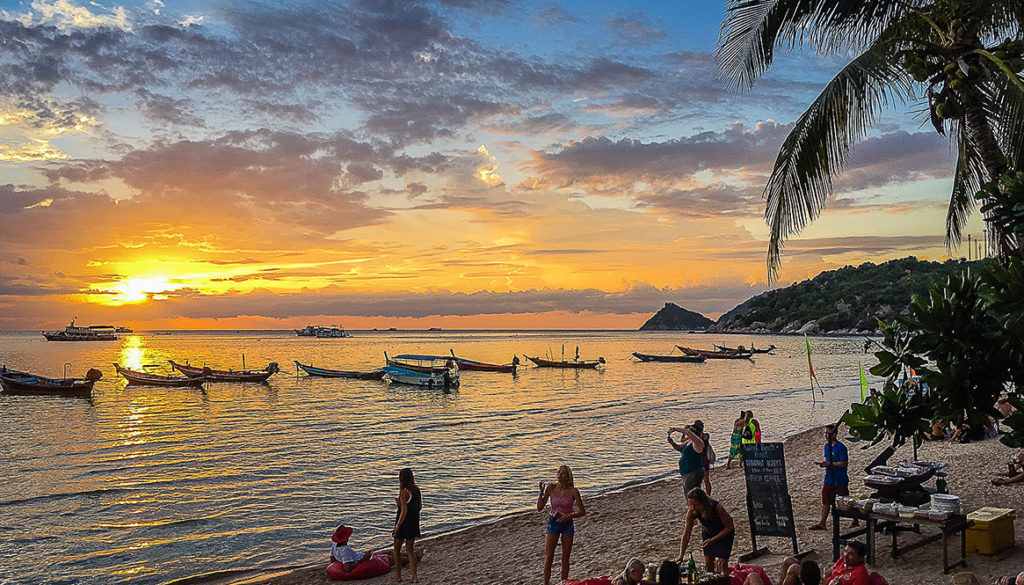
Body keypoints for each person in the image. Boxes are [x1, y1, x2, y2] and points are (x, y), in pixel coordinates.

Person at [537, 464, 586, 585]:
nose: (559, 475)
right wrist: (541, 493)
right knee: (548, 558)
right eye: (558, 472)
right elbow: (539, 508)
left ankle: (563, 582)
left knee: (565, 558)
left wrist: (568, 516)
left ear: (568, 476)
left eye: (562, 473)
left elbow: (582, 511)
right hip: (553, 523)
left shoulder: (573, 491)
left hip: (567, 523)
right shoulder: (551, 488)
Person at [676, 487, 735, 574]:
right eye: (690, 505)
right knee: (709, 565)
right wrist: (681, 556)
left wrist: (713, 540)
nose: (692, 508)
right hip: (708, 533)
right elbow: (686, 534)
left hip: (724, 533)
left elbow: (729, 527)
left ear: (702, 503)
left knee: (722, 566)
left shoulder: (717, 508)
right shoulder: (692, 512)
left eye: (695, 505)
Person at [810, 424, 849, 531]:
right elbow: (828, 461)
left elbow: (844, 463)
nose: (826, 435)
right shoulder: (827, 446)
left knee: (845, 501)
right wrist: (824, 464)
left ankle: (855, 519)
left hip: (840, 479)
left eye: (828, 433)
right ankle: (822, 523)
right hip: (828, 479)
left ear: (835, 434)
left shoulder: (841, 447)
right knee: (826, 501)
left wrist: (830, 464)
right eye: (825, 433)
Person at [392, 467, 422, 583]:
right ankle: (414, 577)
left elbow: (403, 512)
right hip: (413, 522)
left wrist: (397, 527)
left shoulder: (403, 492)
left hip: (404, 523)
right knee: (410, 550)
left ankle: (398, 576)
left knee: (397, 549)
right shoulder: (416, 489)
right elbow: (419, 507)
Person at [668, 422, 705, 496]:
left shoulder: (698, 442)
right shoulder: (689, 442)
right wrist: (672, 442)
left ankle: (697, 507)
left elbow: (689, 433)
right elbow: (679, 448)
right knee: (688, 494)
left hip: (694, 472)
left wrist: (675, 429)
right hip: (686, 473)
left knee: (692, 495)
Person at [701, 430, 713, 496]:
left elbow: (705, 436)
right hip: (703, 460)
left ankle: (708, 495)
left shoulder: (703, 441)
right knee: (706, 480)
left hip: (704, 460)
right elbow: (682, 440)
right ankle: (708, 495)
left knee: (706, 479)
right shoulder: (698, 439)